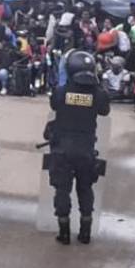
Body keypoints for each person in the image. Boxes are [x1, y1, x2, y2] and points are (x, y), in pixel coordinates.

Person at [48, 51, 111, 245]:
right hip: (86, 149)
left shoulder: (61, 92)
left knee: (62, 189)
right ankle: (85, 232)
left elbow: (55, 105)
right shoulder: (98, 94)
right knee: (85, 188)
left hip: (62, 149)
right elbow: (104, 110)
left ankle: (64, 231)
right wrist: (97, 83)